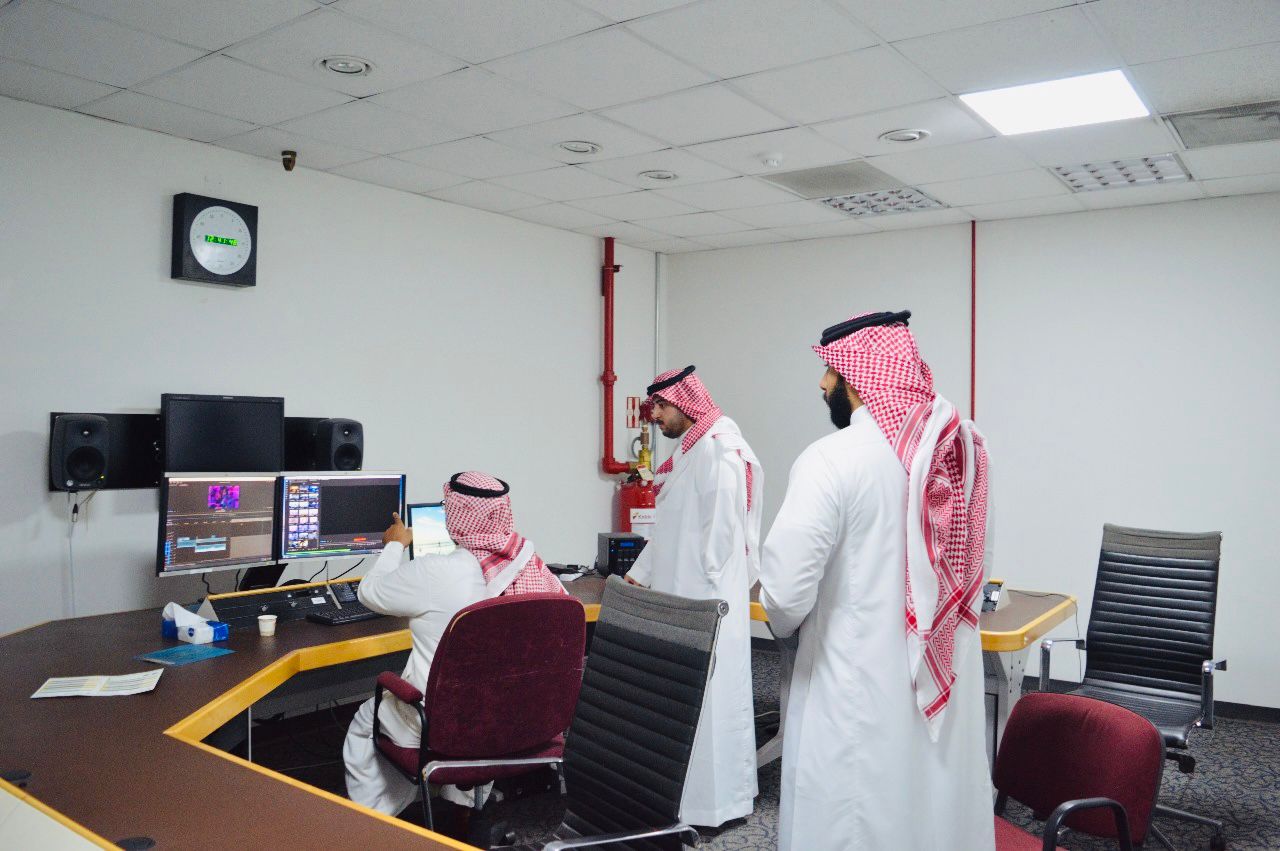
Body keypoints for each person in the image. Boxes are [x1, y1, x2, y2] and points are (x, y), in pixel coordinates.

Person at [759, 311, 994, 851]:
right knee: (934, 811)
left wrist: (783, 624)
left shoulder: (831, 459)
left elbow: (786, 595)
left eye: (830, 370)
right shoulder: (962, 450)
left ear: (858, 376)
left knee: (857, 816)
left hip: (854, 686)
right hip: (944, 678)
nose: (822, 384)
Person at [343, 471, 567, 817]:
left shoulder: (436, 571)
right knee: (476, 695)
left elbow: (370, 592)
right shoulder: (533, 567)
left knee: (364, 722)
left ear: (455, 516)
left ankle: (377, 824)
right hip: (517, 722)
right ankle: (461, 811)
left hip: (446, 727)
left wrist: (394, 545)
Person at [625, 365, 762, 829]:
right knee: (682, 703)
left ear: (685, 403)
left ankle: (717, 808)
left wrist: (700, 596)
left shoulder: (720, 448)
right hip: (681, 596)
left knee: (712, 704)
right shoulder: (691, 449)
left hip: (705, 601)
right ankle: (684, 803)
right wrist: (639, 576)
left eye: (662, 406)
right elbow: (670, 528)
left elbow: (720, 540)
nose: (656, 415)